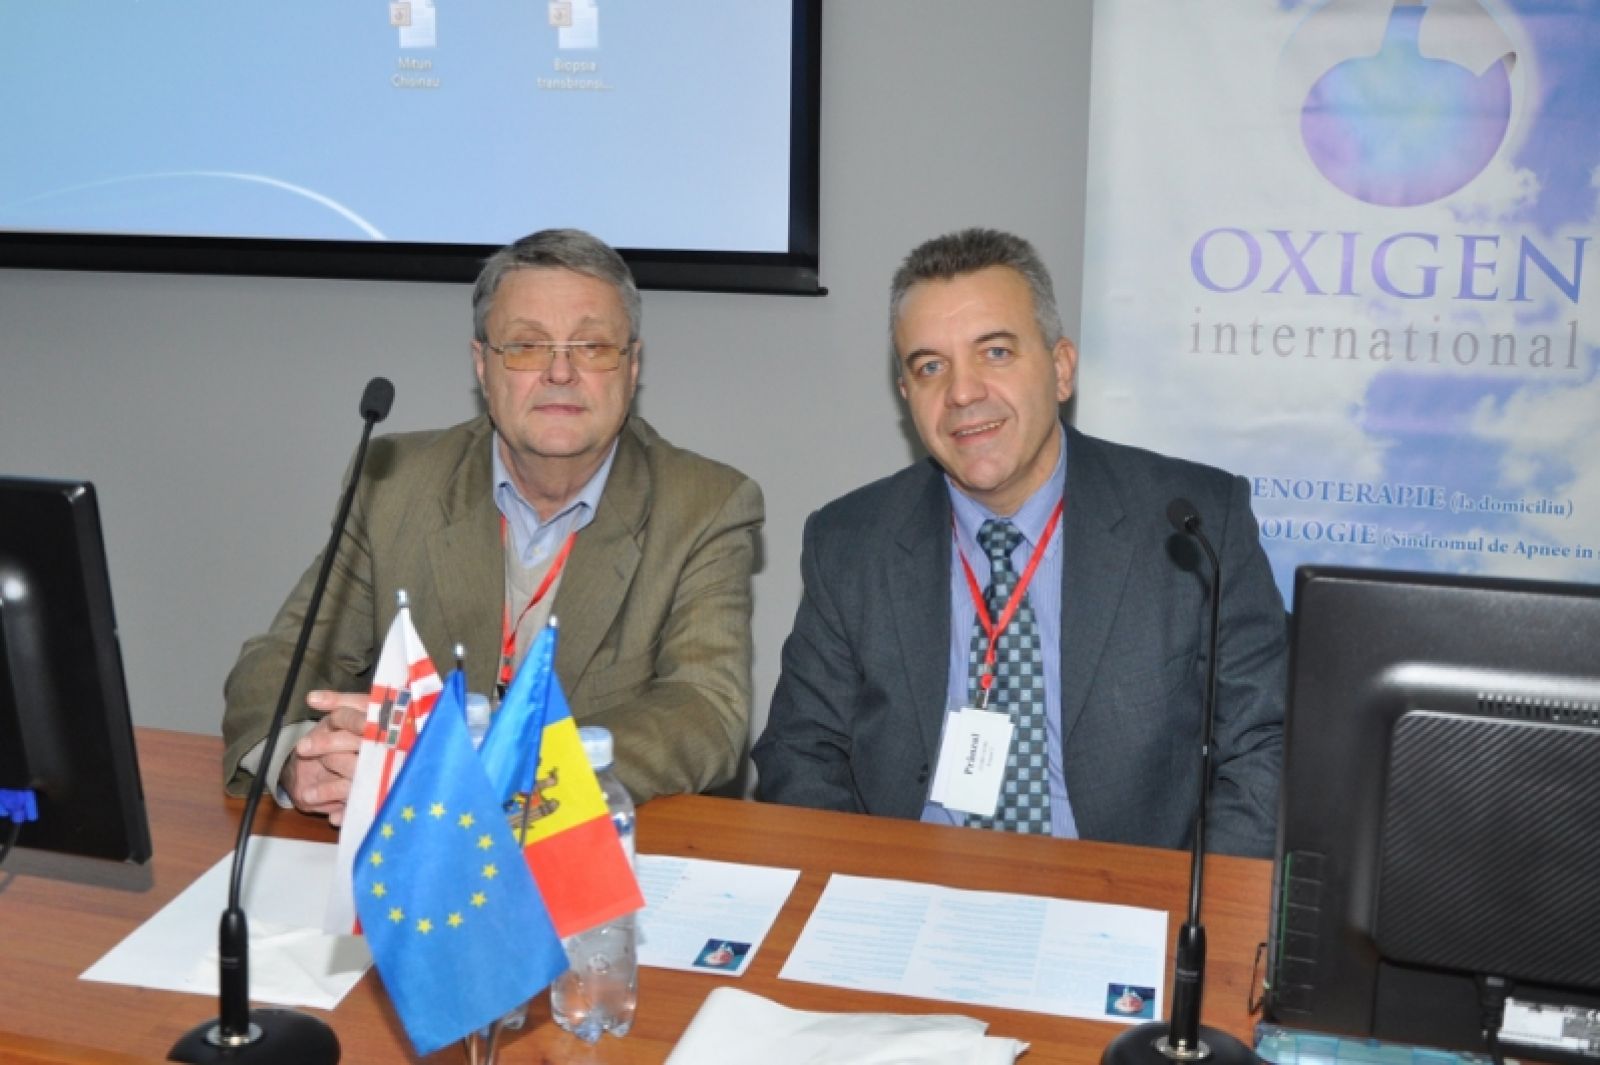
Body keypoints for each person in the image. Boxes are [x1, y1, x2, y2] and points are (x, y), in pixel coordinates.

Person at [751, 227, 1285, 857]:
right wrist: (864, 884)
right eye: (930, 366)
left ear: (1061, 370)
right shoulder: (850, 541)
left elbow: (1265, 743)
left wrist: (1187, 900)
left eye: (996, 352)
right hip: (908, 882)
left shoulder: (1194, 523)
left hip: (1120, 891)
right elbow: (801, 749)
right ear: (907, 395)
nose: (962, 392)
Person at [222, 228, 763, 822]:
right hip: (413, 852)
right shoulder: (394, 482)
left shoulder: (704, 505)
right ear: (483, 365)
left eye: (591, 346)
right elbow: (283, 658)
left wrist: (492, 772)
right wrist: (303, 757)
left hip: (587, 846)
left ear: (631, 367)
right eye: (527, 346)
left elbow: (704, 712)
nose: (560, 372)